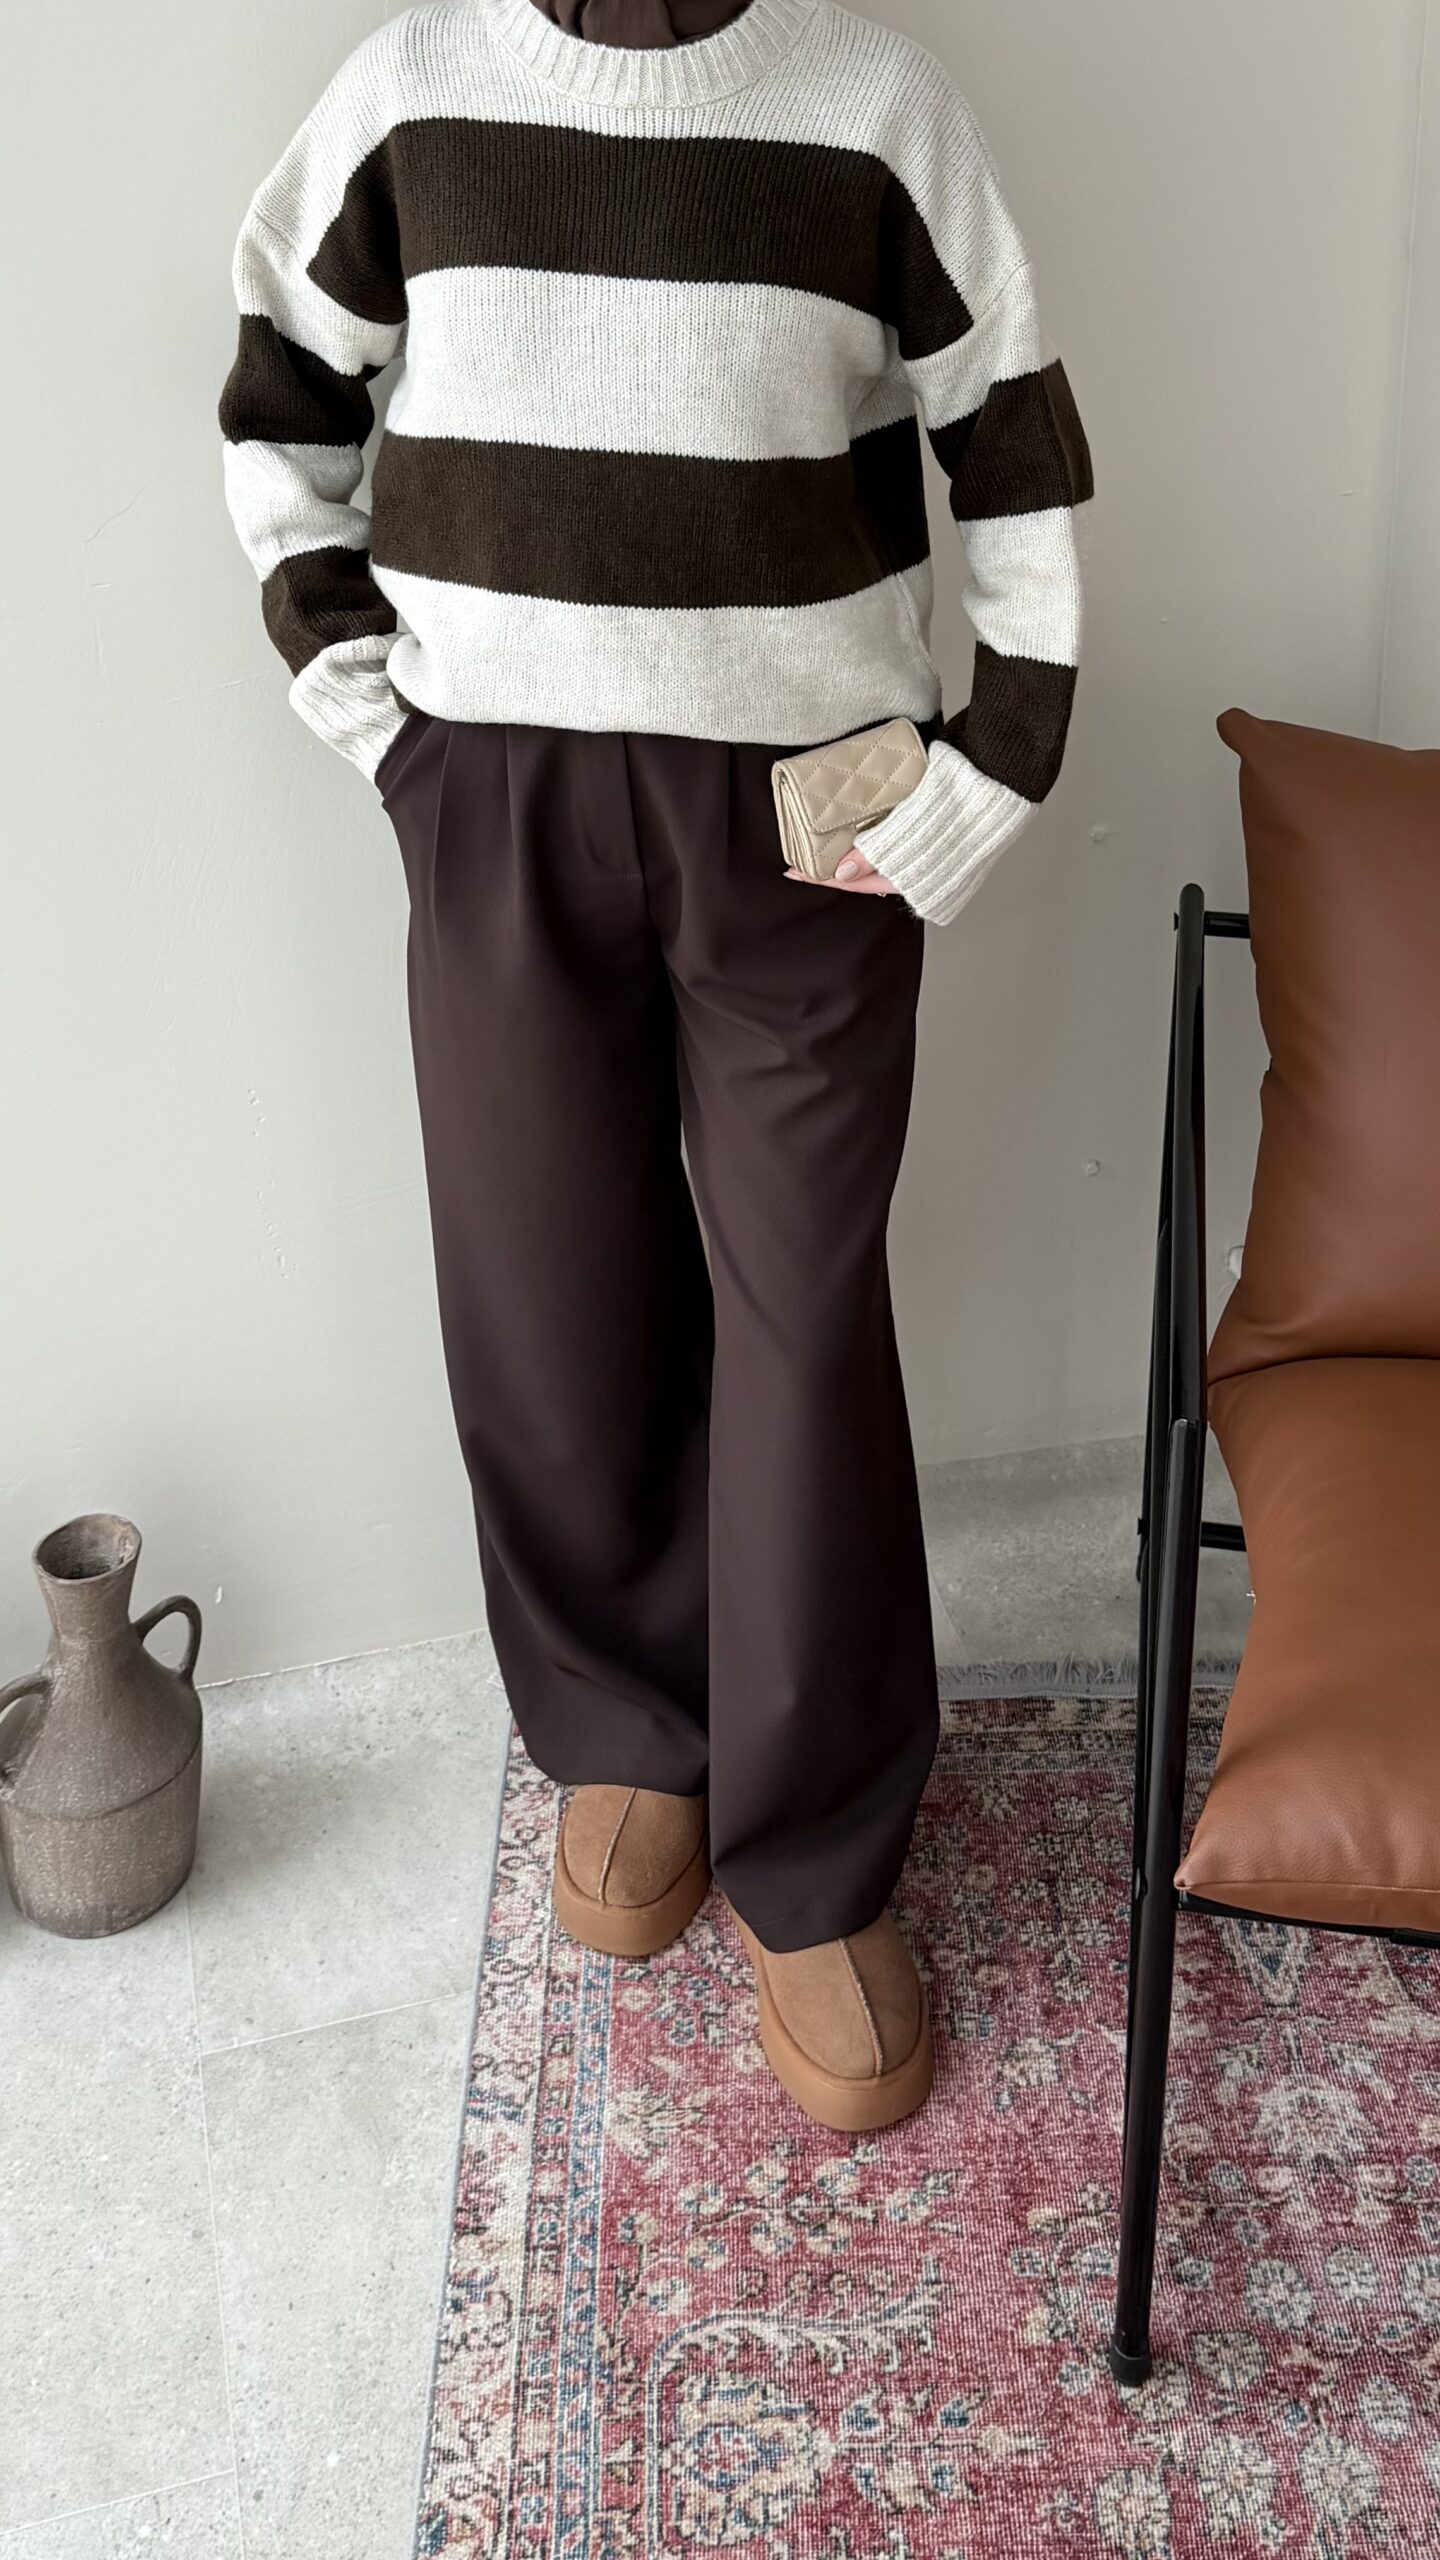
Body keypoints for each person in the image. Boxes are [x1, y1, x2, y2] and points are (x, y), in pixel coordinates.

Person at [219, 0, 1091, 2133]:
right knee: (547, 1292)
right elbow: (278, 397)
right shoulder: (411, 96)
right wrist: (383, 728)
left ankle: (817, 1852)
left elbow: (1012, 434)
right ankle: (632, 1734)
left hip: (810, 814)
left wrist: (996, 765)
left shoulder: (873, 107)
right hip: (494, 797)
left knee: (802, 1319)